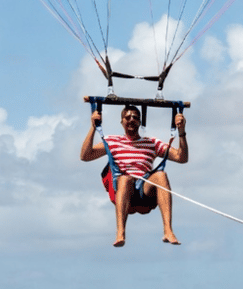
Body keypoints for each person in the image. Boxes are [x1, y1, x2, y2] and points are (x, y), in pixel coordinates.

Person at [80, 105, 188, 247]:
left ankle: (168, 230)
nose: (132, 120)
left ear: (140, 122)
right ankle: (120, 233)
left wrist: (181, 132)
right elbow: (85, 156)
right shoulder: (112, 141)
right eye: (128, 117)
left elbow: (182, 158)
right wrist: (93, 127)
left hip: (145, 193)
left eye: (136, 118)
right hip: (124, 192)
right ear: (122, 121)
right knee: (125, 179)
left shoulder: (152, 143)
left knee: (161, 175)